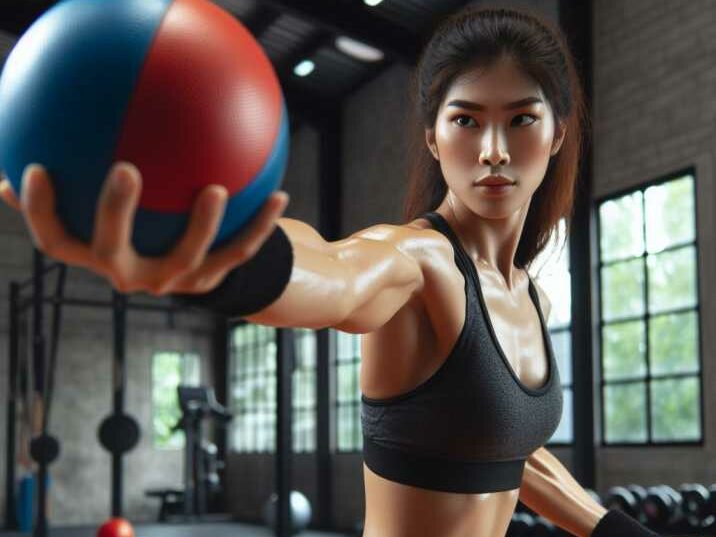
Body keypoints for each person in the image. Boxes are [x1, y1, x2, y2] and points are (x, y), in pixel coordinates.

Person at [0, 4, 664, 537]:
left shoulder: (535, 300)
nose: (492, 150)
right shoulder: (416, 262)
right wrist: (222, 259)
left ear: (559, 133)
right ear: (434, 137)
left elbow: (511, 453)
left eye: (521, 118)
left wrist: (616, 528)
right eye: (466, 120)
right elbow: (335, 272)